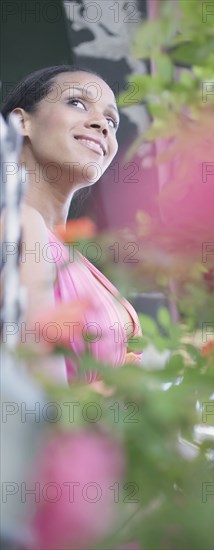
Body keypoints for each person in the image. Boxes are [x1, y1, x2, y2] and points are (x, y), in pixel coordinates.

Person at [1, 65, 142, 389]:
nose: (101, 125)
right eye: (77, 103)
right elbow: (39, 394)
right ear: (22, 122)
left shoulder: (79, 262)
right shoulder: (19, 223)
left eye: (112, 121)